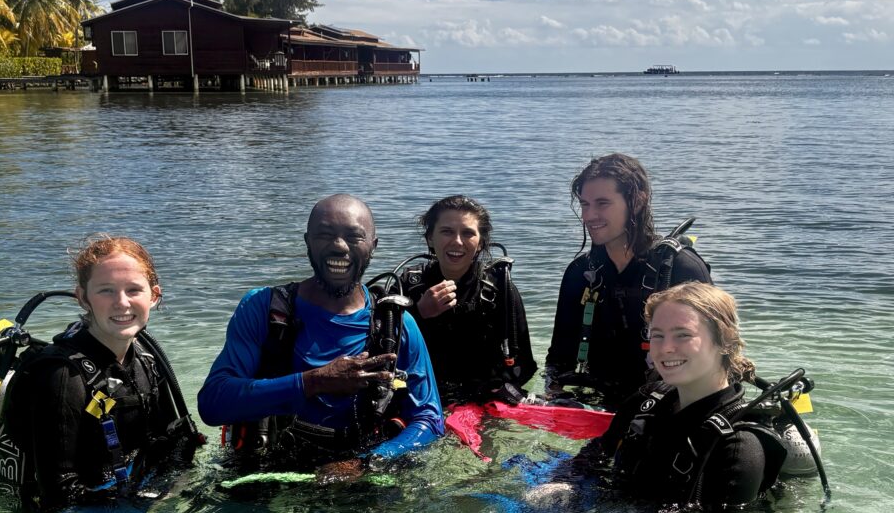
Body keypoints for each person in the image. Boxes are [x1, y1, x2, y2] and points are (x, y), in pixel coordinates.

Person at [198, 194, 444, 476]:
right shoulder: (264, 309)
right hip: (266, 464)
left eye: (354, 237)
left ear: (373, 246)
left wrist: (366, 463)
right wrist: (313, 382)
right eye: (325, 234)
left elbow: (429, 420)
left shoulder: (395, 325)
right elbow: (213, 404)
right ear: (307, 243)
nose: (339, 246)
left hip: (359, 466)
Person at [10, 236, 198, 510]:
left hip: (123, 492)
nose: (122, 303)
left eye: (133, 290)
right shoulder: (63, 375)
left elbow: (173, 440)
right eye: (106, 291)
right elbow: (59, 493)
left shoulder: (147, 359)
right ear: (83, 297)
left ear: (154, 296)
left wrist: (168, 490)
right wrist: (138, 505)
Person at [595, 282, 785, 507]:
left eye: (683, 335)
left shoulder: (738, 447)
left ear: (724, 341)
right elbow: (592, 458)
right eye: (657, 335)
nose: (665, 348)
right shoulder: (645, 401)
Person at [545, 153, 711, 408]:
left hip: (665, 404)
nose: (590, 215)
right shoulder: (581, 272)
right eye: (585, 204)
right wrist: (553, 399)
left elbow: (712, 355)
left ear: (637, 201)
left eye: (602, 203)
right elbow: (559, 355)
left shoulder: (680, 269)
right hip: (593, 402)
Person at [400, 195, 536, 405]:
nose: (457, 241)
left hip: (484, 401)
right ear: (430, 238)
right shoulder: (408, 286)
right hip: (423, 399)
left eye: (468, 233)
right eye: (447, 231)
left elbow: (524, 365)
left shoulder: (500, 288)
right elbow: (386, 358)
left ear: (480, 243)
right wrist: (419, 314)